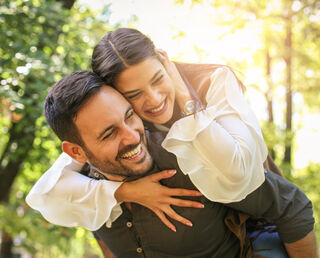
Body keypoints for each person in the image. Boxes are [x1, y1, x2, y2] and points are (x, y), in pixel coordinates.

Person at [33, 71, 316, 257]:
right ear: (76, 152)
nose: (133, 136)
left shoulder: (189, 157)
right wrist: (122, 193)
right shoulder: (79, 194)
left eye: (130, 116)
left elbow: (291, 205)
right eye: (109, 133)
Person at [27, 28, 278, 233]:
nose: (155, 100)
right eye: (133, 95)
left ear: (164, 62)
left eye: (158, 79)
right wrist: (125, 192)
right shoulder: (122, 122)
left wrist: (186, 99)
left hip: (272, 218)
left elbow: (237, 172)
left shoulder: (213, 81)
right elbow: (46, 192)